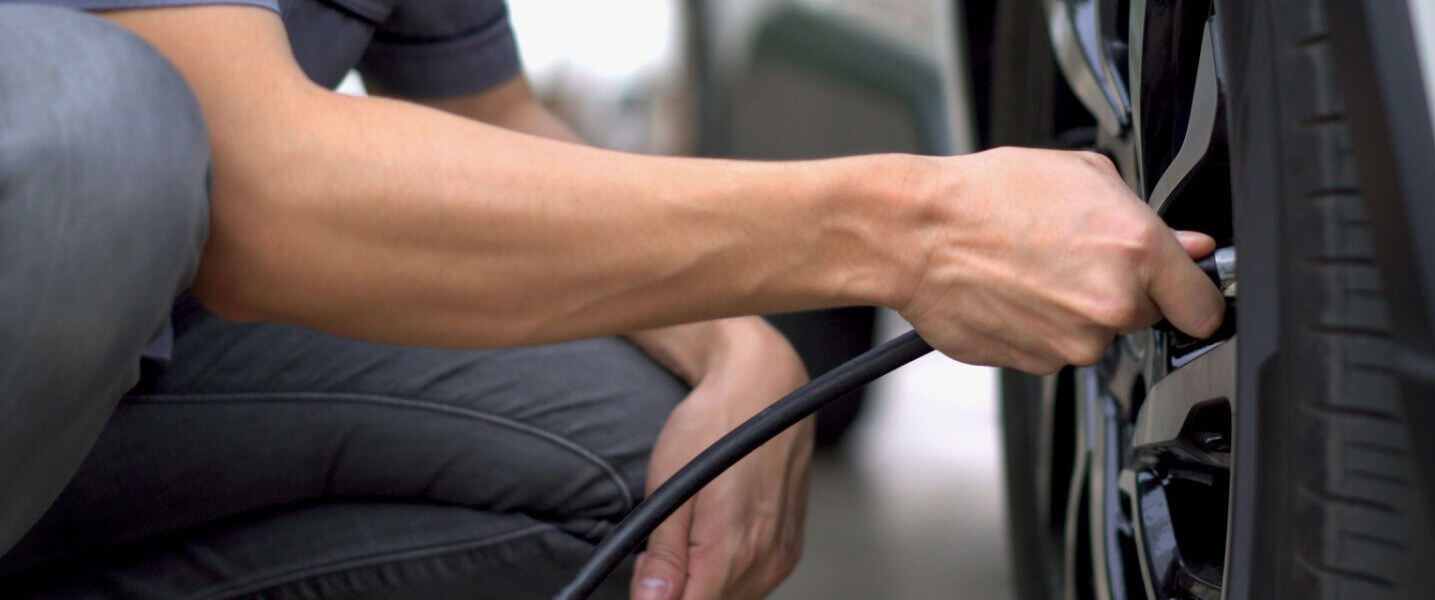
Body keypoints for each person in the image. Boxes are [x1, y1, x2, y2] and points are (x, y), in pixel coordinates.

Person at [0, 1, 1226, 599]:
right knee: (96, 132)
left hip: (88, 382)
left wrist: (741, 348)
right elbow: (260, 187)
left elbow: (476, 121)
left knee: (653, 476)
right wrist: (899, 228)